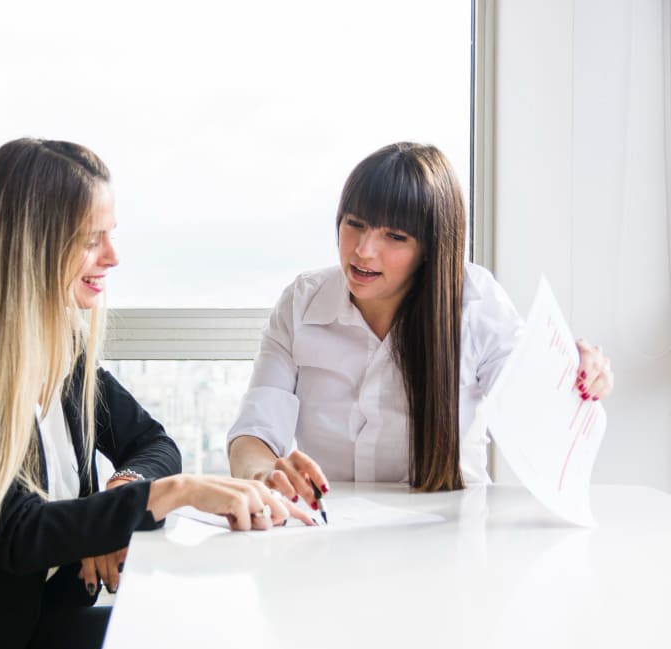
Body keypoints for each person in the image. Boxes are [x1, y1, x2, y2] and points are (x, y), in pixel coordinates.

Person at [0, 138, 311, 649]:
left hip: (21, 627)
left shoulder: (57, 341)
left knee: (195, 639)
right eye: (89, 239)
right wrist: (172, 494)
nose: (112, 256)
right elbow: (16, 532)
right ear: (31, 245)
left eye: (110, 235)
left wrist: (122, 495)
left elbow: (151, 441)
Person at [227, 142, 614, 502]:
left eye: (395, 236)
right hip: (331, 529)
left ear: (431, 248)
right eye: (355, 223)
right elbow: (255, 430)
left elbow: (534, 415)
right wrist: (263, 474)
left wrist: (574, 380)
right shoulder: (302, 301)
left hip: (451, 531)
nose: (363, 251)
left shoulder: (475, 303)